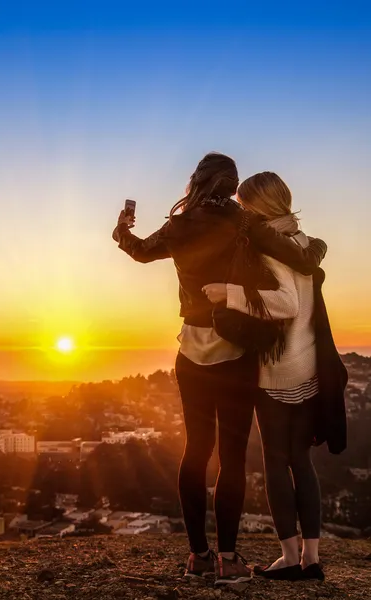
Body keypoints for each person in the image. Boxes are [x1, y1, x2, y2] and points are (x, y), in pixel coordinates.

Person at [112, 153, 327, 586]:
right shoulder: (244, 223)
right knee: (231, 459)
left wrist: (122, 228)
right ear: (233, 186)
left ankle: (198, 556)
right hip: (236, 352)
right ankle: (228, 560)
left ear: (197, 180)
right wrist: (316, 248)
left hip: (190, 352)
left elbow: (137, 252)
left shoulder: (178, 226)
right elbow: (301, 258)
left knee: (195, 451)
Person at [204, 171, 340, 582]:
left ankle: (288, 557)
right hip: (309, 367)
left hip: (277, 371)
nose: (241, 213)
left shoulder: (269, 246)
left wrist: (228, 292)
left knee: (276, 464)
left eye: (244, 206)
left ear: (258, 207)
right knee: (303, 461)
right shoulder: (301, 241)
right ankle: (311, 559)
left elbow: (285, 304)